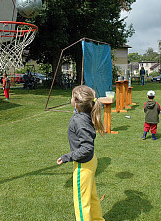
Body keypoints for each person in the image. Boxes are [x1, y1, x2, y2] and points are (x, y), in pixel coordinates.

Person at [57, 85, 105, 221]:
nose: (71, 99)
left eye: (72, 97)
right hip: (90, 161)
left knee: (81, 202)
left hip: (83, 165)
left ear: (76, 102)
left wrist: (67, 157)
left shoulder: (79, 120)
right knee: (91, 196)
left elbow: (86, 148)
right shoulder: (83, 114)